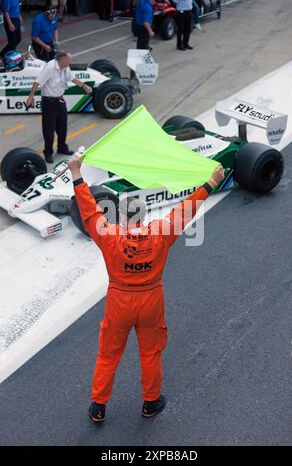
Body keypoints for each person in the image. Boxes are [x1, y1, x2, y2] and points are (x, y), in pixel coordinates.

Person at [68, 154, 224, 422]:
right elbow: (186, 210)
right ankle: (150, 404)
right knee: (150, 354)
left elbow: (89, 211)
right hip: (151, 299)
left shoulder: (110, 235)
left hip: (119, 300)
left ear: (122, 218)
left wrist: (76, 174)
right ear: (144, 216)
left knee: (107, 356)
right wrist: (211, 182)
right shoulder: (160, 232)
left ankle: (98, 407)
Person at [25, 51, 92, 164]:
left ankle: (62, 148)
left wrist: (84, 86)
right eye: (69, 59)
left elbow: (72, 78)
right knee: (49, 130)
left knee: (62, 127)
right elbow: (36, 83)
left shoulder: (65, 68)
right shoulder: (50, 67)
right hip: (49, 102)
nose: (71, 61)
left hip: (59, 100)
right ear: (62, 59)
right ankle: (48, 153)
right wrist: (31, 97)